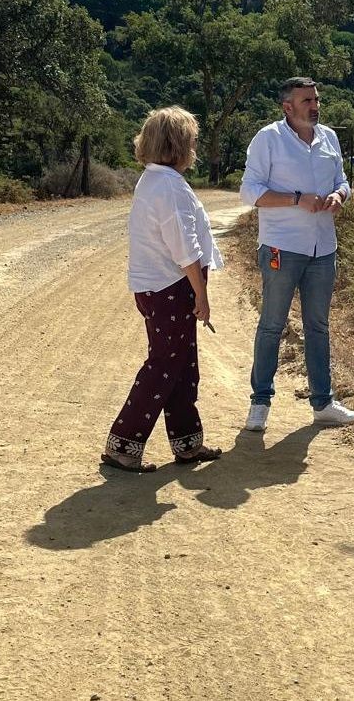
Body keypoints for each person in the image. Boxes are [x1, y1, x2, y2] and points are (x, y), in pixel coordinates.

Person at [101, 106, 223, 473]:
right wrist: (201, 295)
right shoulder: (169, 186)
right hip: (170, 287)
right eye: (192, 139)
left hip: (157, 286)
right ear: (178, 143)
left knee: (182, 365)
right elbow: (183, 247)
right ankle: (123, 444)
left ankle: (187, 443)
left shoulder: (155, 180)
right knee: (163, 366)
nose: (195, 146)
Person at [239, 77, 354, 432]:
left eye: (317, 99)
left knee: (318, 327)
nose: (315, 106)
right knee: (272, 325)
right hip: (281, 246)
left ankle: (323, 403)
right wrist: (297, 198)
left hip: (323, 248)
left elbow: (343, 180)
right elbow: (250, 193)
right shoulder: (268, 139)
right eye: (307, 100)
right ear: (287, 106)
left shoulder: (329, 138)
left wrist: (340, 196)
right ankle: (260, 403)